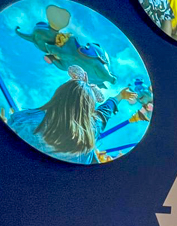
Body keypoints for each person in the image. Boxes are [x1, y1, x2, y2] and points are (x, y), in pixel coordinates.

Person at [8, 66, 138, 164]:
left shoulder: (27, 119)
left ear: (58, 96)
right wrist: (120, 96)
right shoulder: (90, 130)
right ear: (89, 109)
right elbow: (104, 113)